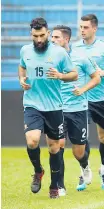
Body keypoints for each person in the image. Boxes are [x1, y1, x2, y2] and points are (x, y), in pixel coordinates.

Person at [20, 18, 78, 198]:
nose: (39, 39)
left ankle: (54, 186)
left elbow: (74, 74)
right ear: (31, 34)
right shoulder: (25, 50)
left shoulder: (59, 53)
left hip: (53, 106)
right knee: (32, 140)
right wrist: (22, 79)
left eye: (42, 35)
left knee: (54, 148)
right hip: (32, 104)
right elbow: (22, 67)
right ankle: (38, 171)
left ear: (48, 34)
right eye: (35, 36)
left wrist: (61, 75)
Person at [71, 14, 104, 190]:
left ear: (94, 28)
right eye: (80, 27)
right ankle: (83, 171)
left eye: (86, 27)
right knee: (81, 138)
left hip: (100, 99)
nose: (82, 30)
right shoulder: (75, 47)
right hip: (80, 99)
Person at [51, 26, 101, 195]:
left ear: (66, 40)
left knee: (78, 151)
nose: (52, 40)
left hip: (78, 109)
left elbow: (97, 78)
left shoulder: (81, 57)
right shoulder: (48, 59)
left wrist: (83, 89)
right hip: (57, 109)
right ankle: (60, 186)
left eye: (56, 37)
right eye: (52, 37)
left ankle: (84, 165)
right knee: (58, 146)